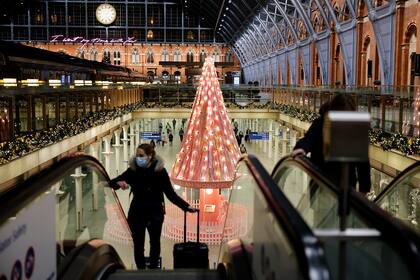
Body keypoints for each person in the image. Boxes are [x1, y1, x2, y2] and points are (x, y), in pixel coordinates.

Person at [110, 144, 198, 269]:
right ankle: (141, 270)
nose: (137, 158)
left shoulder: (160, 172)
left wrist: (186, 206)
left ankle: (152, 269)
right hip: (137, 214)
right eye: (137, 155)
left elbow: (170, 194)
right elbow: (113, 182)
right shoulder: (133, 171)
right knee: (138, 245)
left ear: (150, 156)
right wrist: (118, 182)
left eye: (141, 155)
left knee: (155, 243)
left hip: (154, 214)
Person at [291, 94, 371, 195]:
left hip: (346, 189)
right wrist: (301, 148)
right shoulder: (321, 123)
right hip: (321, 183)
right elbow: (309, 139)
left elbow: (363, 163)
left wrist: (364, 189)